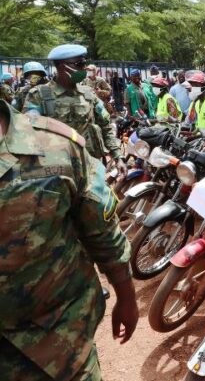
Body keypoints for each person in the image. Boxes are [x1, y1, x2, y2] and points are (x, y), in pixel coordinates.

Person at [0, 98, 138, 381]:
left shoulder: (58, 143)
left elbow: (100, 230)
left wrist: (126, 295)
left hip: (60, 342)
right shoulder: (39, 94)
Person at [22, 44, 126, 173]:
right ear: (61, 66)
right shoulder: (39, 95)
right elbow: (27, 132)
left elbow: (105, 126)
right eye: (79, 64)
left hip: (91, 166)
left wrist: (117, 156)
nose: (84, 69)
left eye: (84, 64)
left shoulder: (89, 94)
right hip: (57, 169)